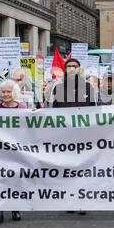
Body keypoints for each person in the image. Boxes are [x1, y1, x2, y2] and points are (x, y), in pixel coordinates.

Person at [49, 58, 96, 215]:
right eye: (68, 66)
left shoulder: (88, 87)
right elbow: (51, 109)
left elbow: (94, 110)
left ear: (79, 69)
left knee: (82, 169)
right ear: (65, 69)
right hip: (65, 136)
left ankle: (82, 202)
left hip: (83, 135)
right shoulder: (58, 86)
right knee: (67, 169)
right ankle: (70, 200)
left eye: (74, 66)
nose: (71, 69)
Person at [0, 80, 26, 224]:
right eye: (3, 92)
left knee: (15, 179)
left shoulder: (23, 108)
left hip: (17, 151)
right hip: (0, 151)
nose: (6, 94)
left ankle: (15, 208)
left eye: (8, 92)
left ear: (14, 93)